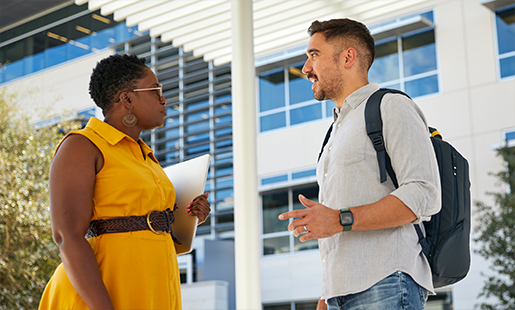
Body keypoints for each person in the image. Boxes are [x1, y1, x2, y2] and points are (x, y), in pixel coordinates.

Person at [278, 19, 441, 310]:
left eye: (314, 55)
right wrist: (325, 295)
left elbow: (423, 194)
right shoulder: (334, 132)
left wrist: (339, 219)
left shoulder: (390, 106)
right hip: (338, 294)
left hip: (387, 283)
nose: (305, 68)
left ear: (347, 57)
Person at [39, 54, 210, 310]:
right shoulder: (82, 145)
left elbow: (147, 230)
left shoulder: (146, 157)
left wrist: (191, 217)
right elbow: (67, 236)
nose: (163, 99)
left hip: (154, 288)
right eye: (155, 90)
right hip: (102, 295)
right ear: (127, 98)